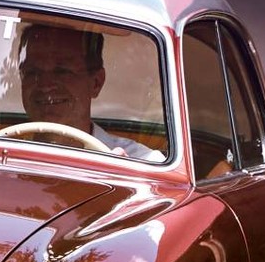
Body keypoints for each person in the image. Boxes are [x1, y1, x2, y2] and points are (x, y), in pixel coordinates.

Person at [14, 23, 162, 161]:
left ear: (96, 83)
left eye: (62, 71)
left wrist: (119, 182)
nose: (45, 85)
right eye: (32, 72)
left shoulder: (141, 163)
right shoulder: (0, 157)